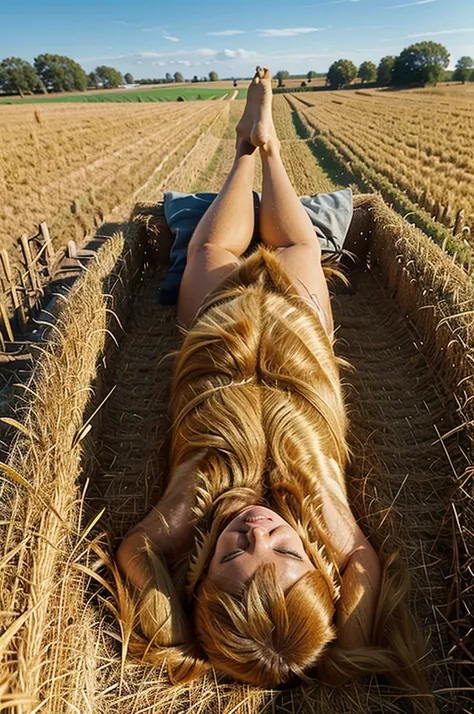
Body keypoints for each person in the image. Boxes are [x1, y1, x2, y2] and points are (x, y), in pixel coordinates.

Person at [114, 67, 427, 692]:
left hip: (221, 332)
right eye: (284, 555)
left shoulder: (189, 511)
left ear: (199, 576)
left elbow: (132, 554)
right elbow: (362, 560)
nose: (256, 532)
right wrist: (343, 655)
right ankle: (274, 145)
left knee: (210, 256)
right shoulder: (323, 511)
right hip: (295, 337)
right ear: (321, 572)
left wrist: (173, 632)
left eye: (233, 556)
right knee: (300, 250)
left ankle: (243, 150)